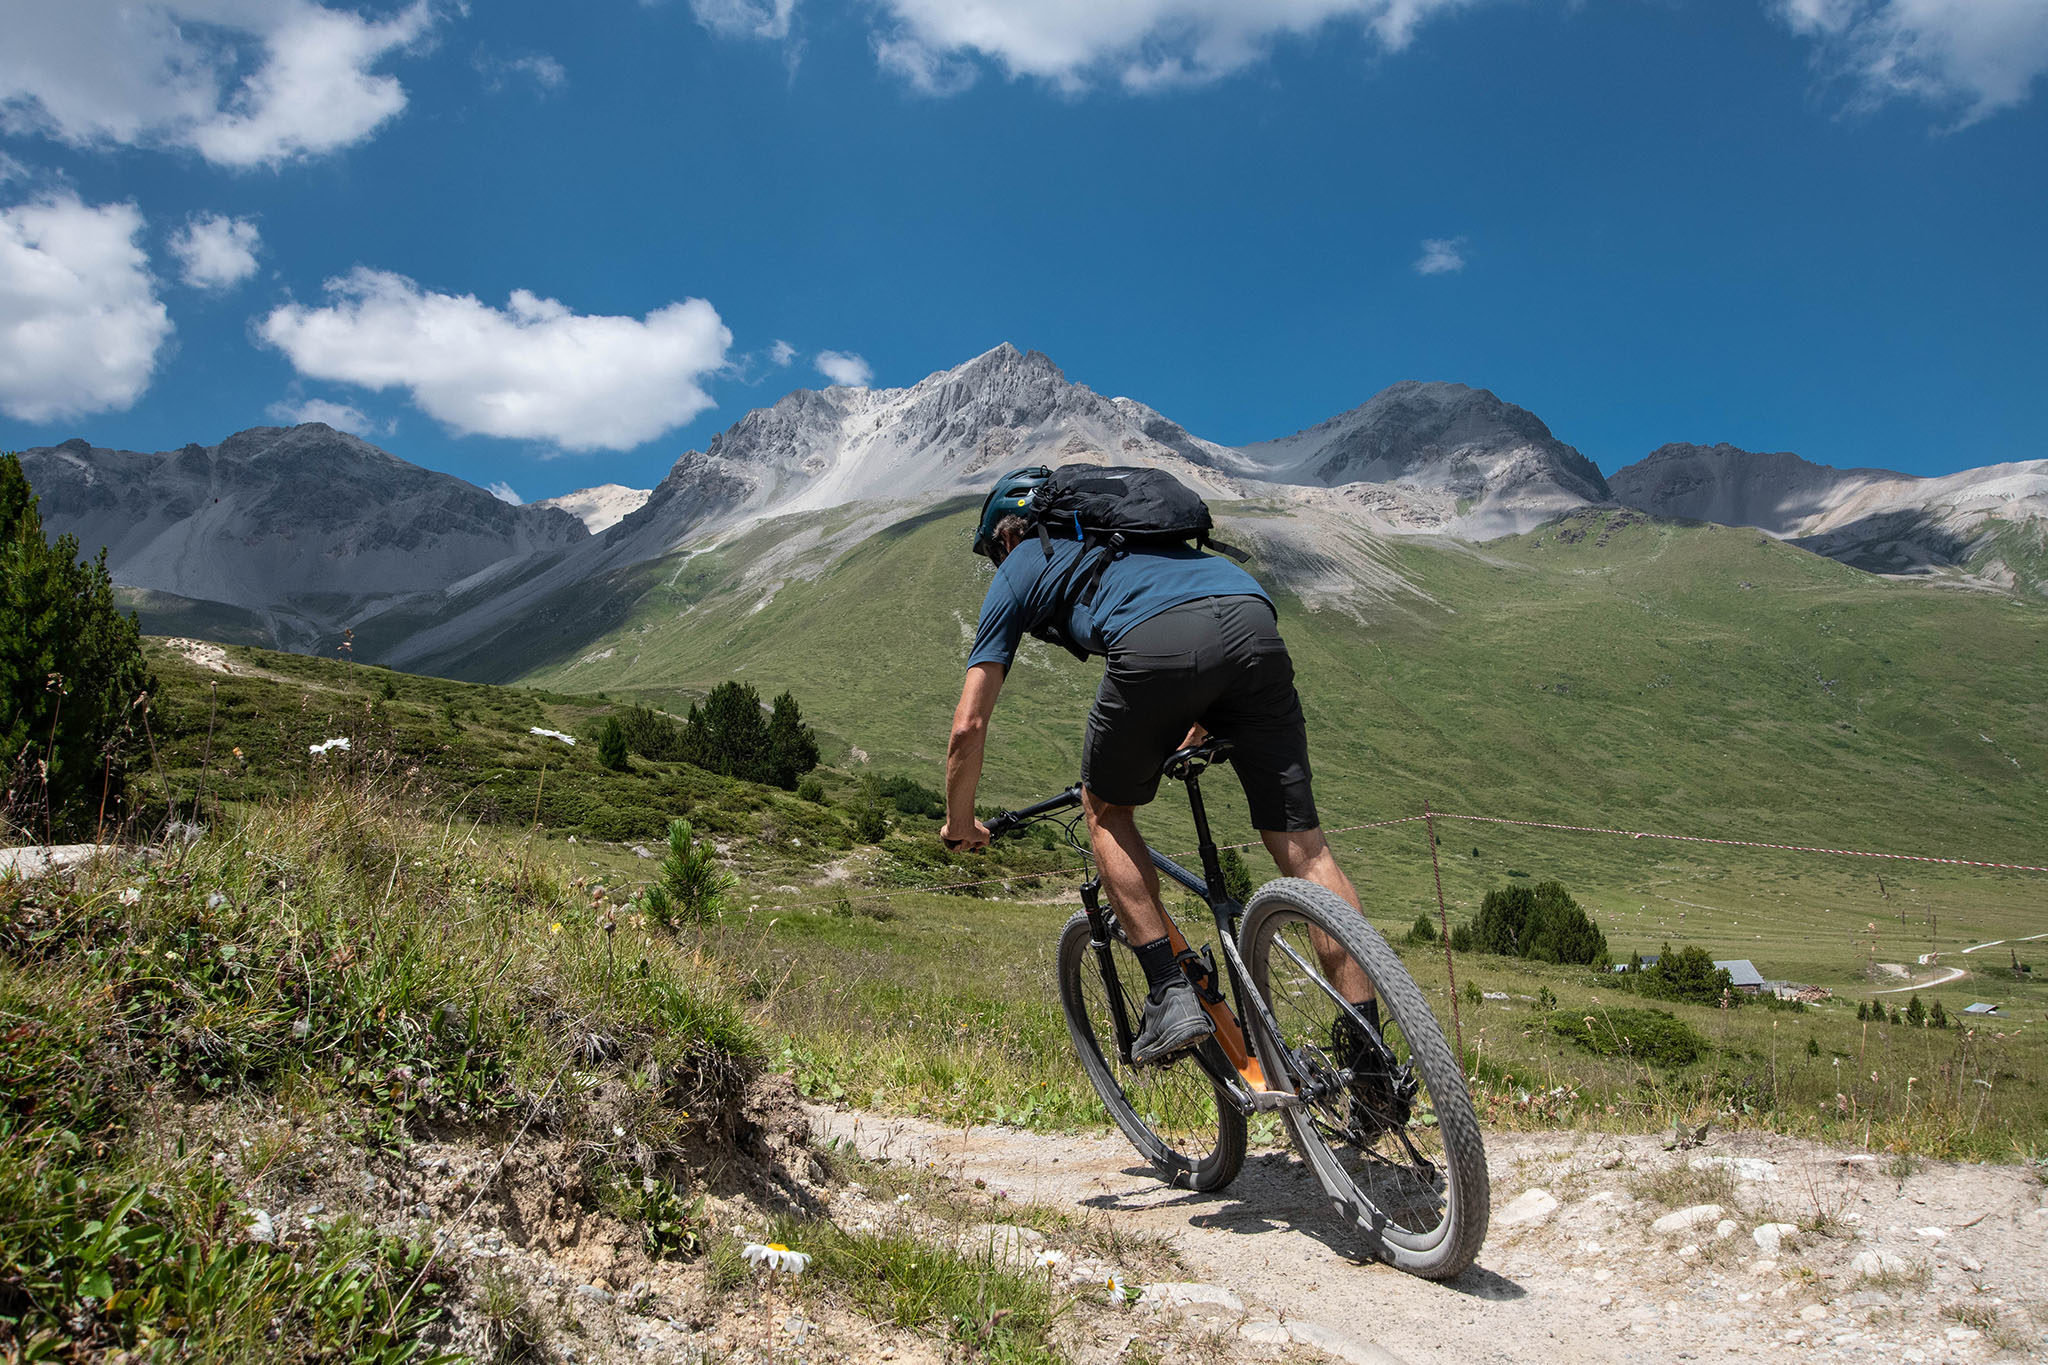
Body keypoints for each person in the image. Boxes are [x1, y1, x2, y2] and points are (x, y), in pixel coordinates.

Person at [939, 465, 1378, 1065]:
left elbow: (968, 724)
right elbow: (1208, 632)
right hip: (1252, 615)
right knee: (1307, 853)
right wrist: (1198, 713)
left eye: (996, 553)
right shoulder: (1140, 539)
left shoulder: (1022, 562)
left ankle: (1170, 993)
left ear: (1009, 535)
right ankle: (1372, 1061)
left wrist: (960, 822)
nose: (1000, 564)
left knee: (1105, 812)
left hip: (1158, 640)